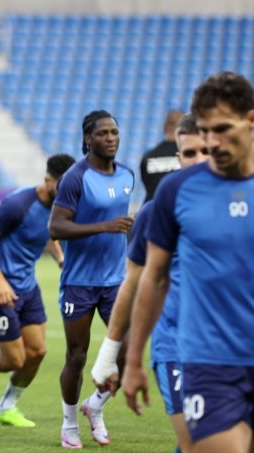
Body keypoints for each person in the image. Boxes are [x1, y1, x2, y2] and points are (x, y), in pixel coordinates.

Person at [123, 72, 254, 453]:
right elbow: (154, 278)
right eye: (207, 131)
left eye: (223, 129)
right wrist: (132, 361)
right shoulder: (178, 190)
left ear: (250, 120)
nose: (213, 142)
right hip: (208, 362)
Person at [91, 113, 208, 453]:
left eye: (204, 151)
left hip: (227, 346)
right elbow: (134, 282)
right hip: (175, 344)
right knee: (197, 441)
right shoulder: (156, 211)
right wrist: (110, 355)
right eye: (188, 153)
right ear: (178, 157)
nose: (196, 161)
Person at [0, 154, 76, 428]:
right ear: (48, 181)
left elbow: (47, 233)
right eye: (63, 185)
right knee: (14, 359)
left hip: (28, 287)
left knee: (37, 352)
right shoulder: (19, 203)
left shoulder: (60, 205)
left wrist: (60, 257)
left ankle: (6, 406)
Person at [48, 110, 135, 449]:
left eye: (115, 132)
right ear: (88, 139)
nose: (111, 137)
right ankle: (69, 424)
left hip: (116, 281)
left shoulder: (127, 176)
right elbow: (56, 227)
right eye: (103, 133)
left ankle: (94, 406)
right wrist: (104, 226)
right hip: (80, 282)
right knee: (77, 356)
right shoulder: (75, 178)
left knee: (128, 353)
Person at [139, 110, 184, 203]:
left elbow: (147, 184)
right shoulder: (188, 156)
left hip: (151, 210)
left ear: (164, 128)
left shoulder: (148, 156)